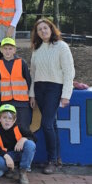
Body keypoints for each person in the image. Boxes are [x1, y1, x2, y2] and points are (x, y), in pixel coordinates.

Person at [29, 18, 75, 174]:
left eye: (45, 28)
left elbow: (69, 72)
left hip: (54, 88)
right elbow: (33, 74)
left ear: (51, 29)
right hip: (40, 88)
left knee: (47, 124)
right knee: (52, 125)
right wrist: (32, 94)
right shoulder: (37, 48)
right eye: (39, 29)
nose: (43, 31)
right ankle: (56, 159)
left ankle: (52, 161)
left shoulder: (61, 46)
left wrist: (66, 94)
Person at [0, 104, 36, 184]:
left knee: (30, 144)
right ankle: (10, 169)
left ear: (14, 120)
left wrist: (24, 139)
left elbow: (34, 138)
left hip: (18, 153)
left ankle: (23, 172)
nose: (7, 121)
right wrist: (6, 156)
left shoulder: (19, 126)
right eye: (4, 118)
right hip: (4, 154)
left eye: (10, 118)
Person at [0, 37, 32, 130]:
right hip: (6, 102)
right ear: (1, 50)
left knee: (24, 128)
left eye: (10, 48)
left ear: (14, 50)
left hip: (22, 103)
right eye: (5, 48)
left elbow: (29, 81)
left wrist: (32, 97)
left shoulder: (21, 63)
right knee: (9, 130)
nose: (7, 51)